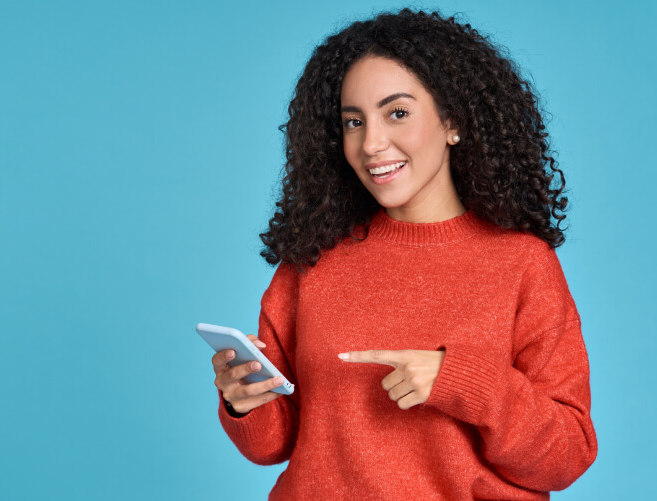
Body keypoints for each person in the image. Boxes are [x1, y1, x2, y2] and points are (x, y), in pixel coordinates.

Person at [209, 8, 597, 500]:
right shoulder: (313, 260)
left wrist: (465, 382)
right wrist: (245, 399)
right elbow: (272, 445)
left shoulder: (522, 264)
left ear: (453, 120)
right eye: (354, 121)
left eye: (397, 113)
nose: (371, 143)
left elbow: (565, 457)